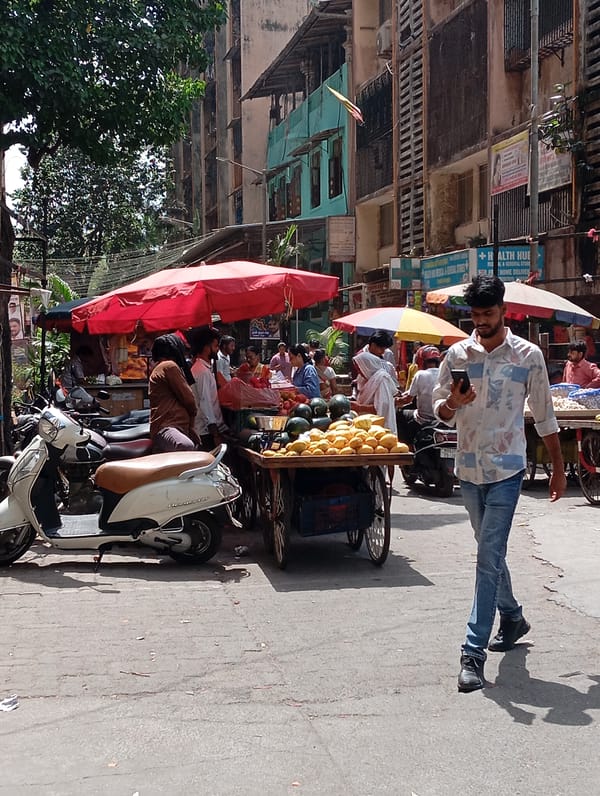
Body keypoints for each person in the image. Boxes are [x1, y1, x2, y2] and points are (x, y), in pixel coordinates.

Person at [433, 275, 566, 693]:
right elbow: (439, 410)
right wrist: (453, 402)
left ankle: (471, 653)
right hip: (468, 471)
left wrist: (559, 467)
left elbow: (544, 415)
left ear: (503, 311)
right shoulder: (457, 354)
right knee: (488, 552)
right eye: (475, 315)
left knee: (488, 556)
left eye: (488, 314)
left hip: (508, 470)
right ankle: (511, 615)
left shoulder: (528, 356)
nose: (482, 322)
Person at [148, 334, 199, 453]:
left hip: (169, 427)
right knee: (185, 446)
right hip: (167, 427)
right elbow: (189, 400)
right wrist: (192, 423)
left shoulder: (159, 367)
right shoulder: (169, 366)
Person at [187, 327, 231, 450]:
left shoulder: (204, 369)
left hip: (207, 429)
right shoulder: (201, 371)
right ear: (207, 347)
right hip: (205, 431)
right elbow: (205, 402)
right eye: (216, 346)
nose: (217, 350)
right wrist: (215, 433)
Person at [396, 345, 441, 446]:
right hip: (443, 419)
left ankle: (407, 448)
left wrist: (395, 401)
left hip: (423, 419)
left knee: (399, 415)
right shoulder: (446, 374)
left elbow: (408, 400)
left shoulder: (420, 374)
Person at [353, 349, 399, 435]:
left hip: (379, 430)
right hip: (364, 425)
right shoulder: (365, 378)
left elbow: (383, 407)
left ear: (367, 366)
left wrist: (359, 407)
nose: (359, 372)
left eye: (360, 368)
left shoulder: (381, 379)